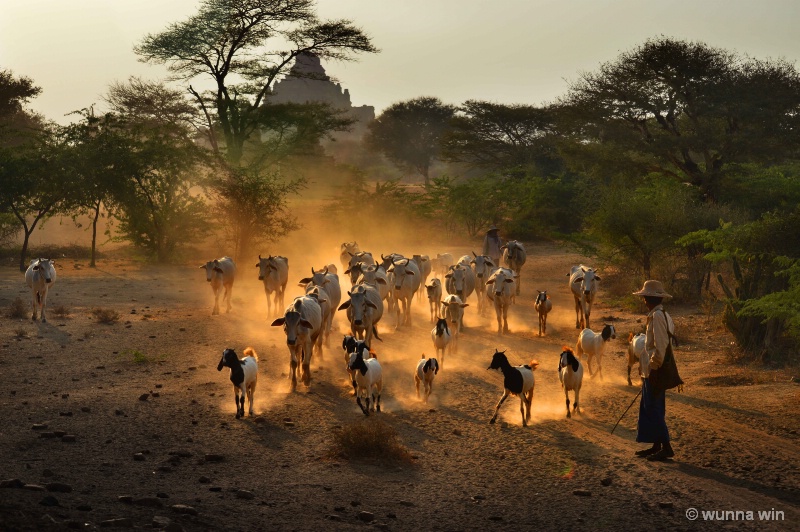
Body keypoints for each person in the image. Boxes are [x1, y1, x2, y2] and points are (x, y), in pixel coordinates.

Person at [632, 279, 676, 462]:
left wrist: (654, 367)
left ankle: (666, 447)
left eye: (645, 297)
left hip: (655, 369)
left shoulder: (657, 317)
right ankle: (656, 445)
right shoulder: (662, 315)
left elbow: (661, 346)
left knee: (654, 408)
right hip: (653, 369)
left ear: (649, 298)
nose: (643, 300)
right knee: (651, 406)